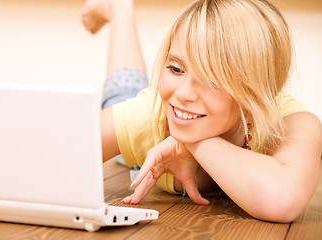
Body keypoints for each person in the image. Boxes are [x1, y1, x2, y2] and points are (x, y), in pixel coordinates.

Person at [81, 0, 322, 223]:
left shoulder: (291, 124)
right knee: (123, 91)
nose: (184, 93)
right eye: (175, 68)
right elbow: (52, 155)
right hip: (144, 126)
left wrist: (191, 143)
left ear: (257, 91)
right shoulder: (149, 115)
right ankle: (120, 8)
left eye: (212, 81)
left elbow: (281, 199)